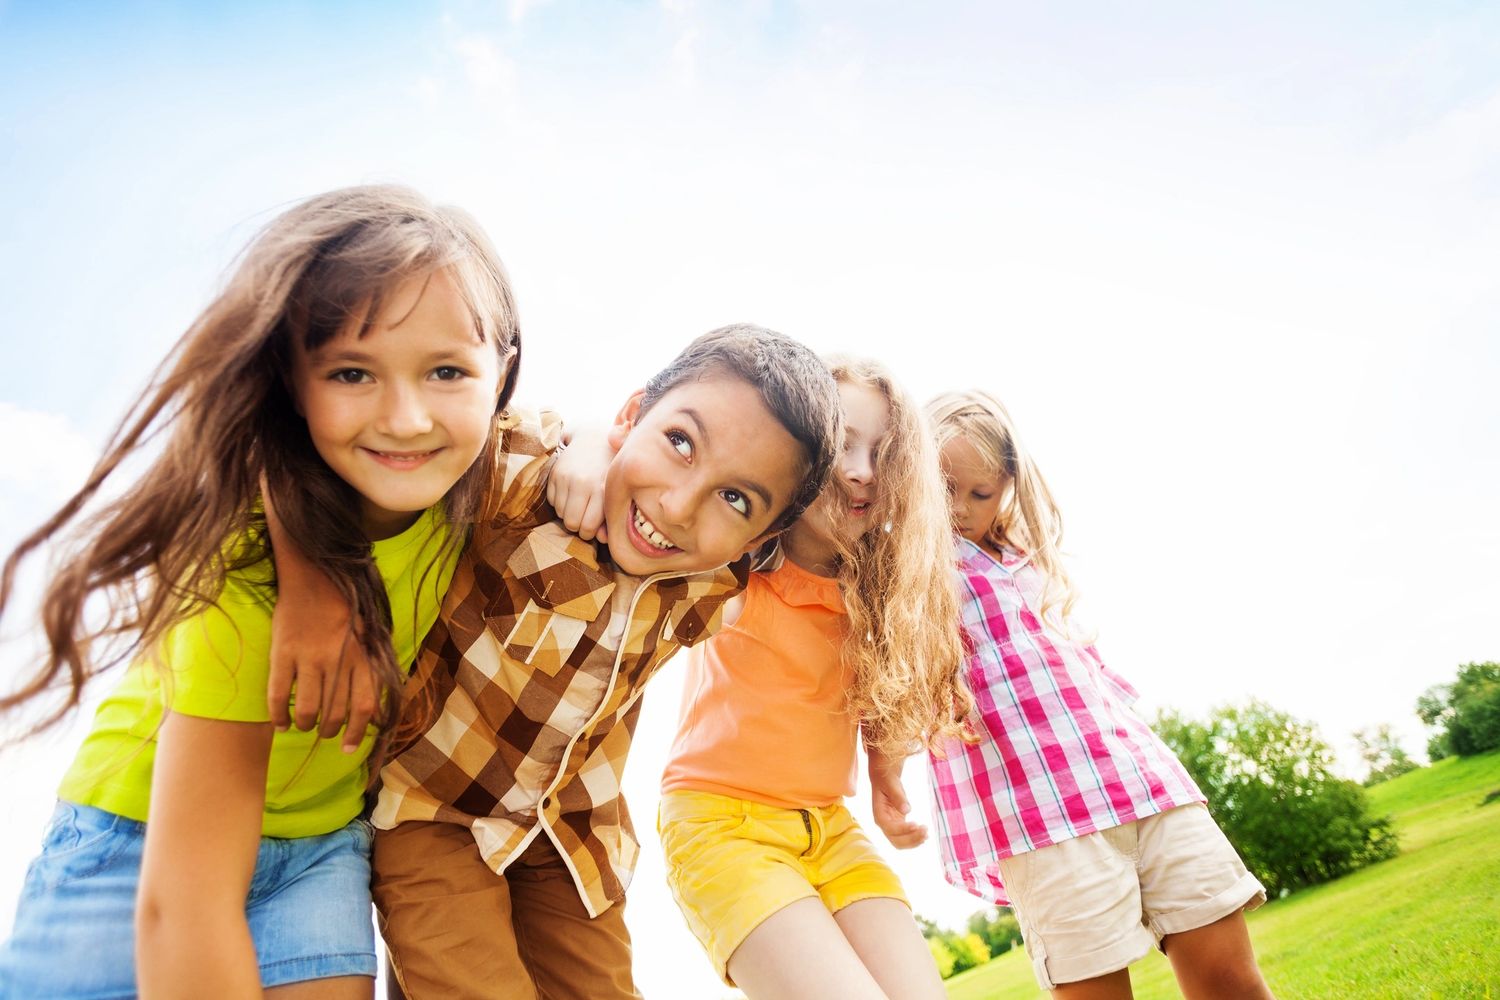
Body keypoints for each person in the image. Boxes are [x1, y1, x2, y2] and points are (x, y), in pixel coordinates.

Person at [0, 185, 522, 998]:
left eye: (447, 370)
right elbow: (188, 904)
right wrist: (307, 575)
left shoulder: (490, 481)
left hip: (318, 848)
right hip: (140, 846)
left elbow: (581, 442)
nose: (408, 417)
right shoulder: (236, 571)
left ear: (505, 369)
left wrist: (592, 450)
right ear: (291, 382)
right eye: (352, 372)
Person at [268, 324, 844, 999]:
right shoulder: (528, 481)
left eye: (735, 498)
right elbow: (483, 422)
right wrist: (589, 438)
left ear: (760, 537)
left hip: (570, 833)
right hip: (433, 812)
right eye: (680, 443)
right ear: (633, 415)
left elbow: (855, 538)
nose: (679, 506)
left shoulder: (713, 586)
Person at [549, 356, 970, 998]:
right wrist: (582, 443)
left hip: (830, 827)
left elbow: (876, 698)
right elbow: (633, 460)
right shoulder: (731, 569)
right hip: (723, 828)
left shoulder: (879, 595)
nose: (861, 469)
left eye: (883, 454)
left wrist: (885, 780)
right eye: (843, 445)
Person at [924, 389, 1274, 1000]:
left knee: (1231, 980)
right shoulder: (915, 569)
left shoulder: (1028, 558)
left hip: (1142, 783)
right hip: (1042, 816)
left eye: (980, 493)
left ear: (1008, 485)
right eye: (944, 489)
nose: (961, 509)